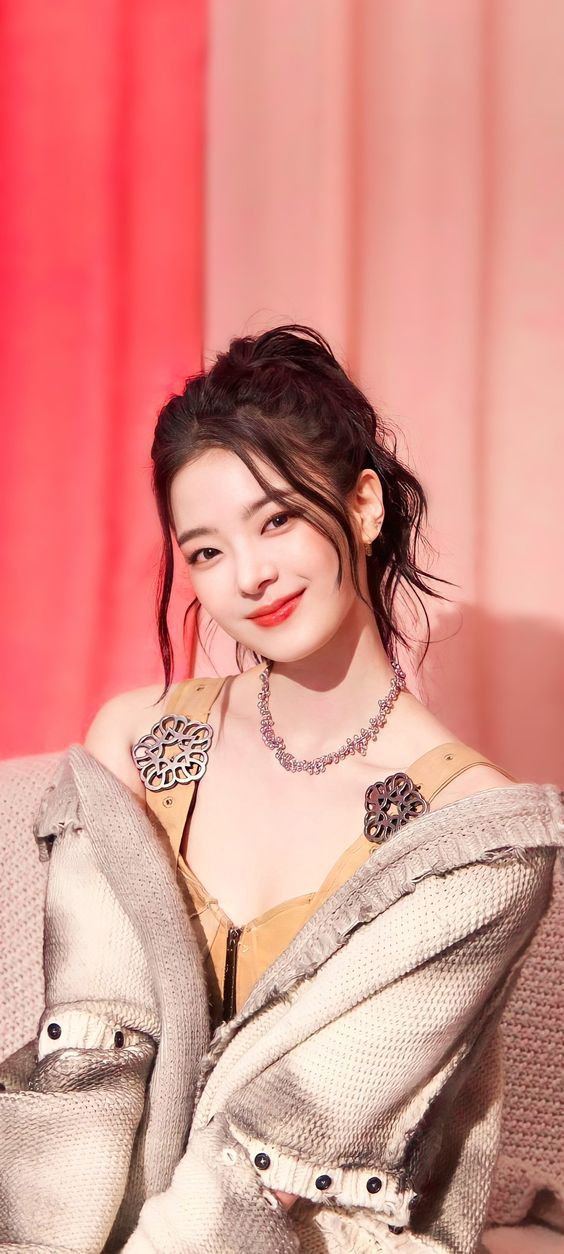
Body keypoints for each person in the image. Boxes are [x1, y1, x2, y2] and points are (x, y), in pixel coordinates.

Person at [1, 324, 563, 1254]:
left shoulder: (473, 839)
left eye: (278, 520)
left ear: (365, 505)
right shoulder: (137, 745)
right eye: (207, 552)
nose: (250, 576)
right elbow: (84, 1074)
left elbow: (282, 1150)